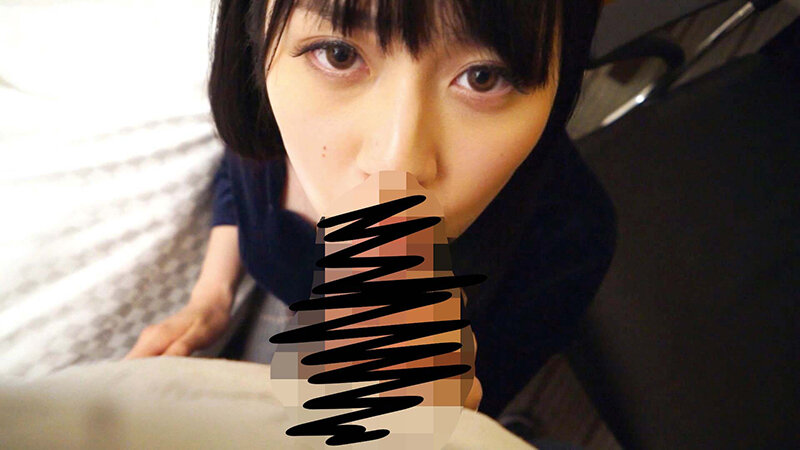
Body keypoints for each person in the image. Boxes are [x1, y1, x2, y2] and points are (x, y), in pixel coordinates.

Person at [125, 0, 615, 435]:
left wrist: (452, 428)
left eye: (484, 77)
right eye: (339, 53)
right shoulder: (270, 117)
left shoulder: (565, 244)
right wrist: (210, 298)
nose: (395, 163)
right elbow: (237, 179)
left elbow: (476, 405)